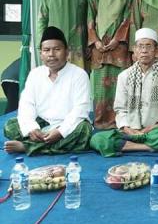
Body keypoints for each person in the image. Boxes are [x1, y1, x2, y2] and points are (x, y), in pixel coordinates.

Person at [90, 28, 158, 157]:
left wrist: (154, 126)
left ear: (157, 51)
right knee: (97, 139)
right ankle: (149, 147)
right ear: (134, 50)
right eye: (140, 46)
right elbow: (120, 109)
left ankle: (129, 147)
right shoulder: (124, 76)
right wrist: (127, 128)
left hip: (156, 130)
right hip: (130, 132)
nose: (144, 50)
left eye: (148, 46)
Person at [3, 27, 92, 155]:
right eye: (46, 50)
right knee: (10, 126)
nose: (51, 54)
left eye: (57, 49)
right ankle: (47, 145)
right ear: (41, 54)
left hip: (67, 124)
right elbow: (26, 104)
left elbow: (81, 109)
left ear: (67, 52)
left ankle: (27, 147)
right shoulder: (35, 74)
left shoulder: (79, 74)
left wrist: (61, 132)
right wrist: (31, 128)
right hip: (42, 122)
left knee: (84, 131)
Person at [88, 0, 133, 129]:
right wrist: (96, 41)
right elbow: (90, 17)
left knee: (120, 86)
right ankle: (100, 123)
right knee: (100, 88)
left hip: (118, 46)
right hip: (99, 47)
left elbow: (128, 16)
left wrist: (117, 39)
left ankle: (119, 123)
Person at [37, 0, 89, 70]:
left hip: (78, 43)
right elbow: (42, 19)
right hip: (54, 43)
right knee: (55, 76)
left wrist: (89, 44)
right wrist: (41, 43)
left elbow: (89, 18)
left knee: (77, 77)